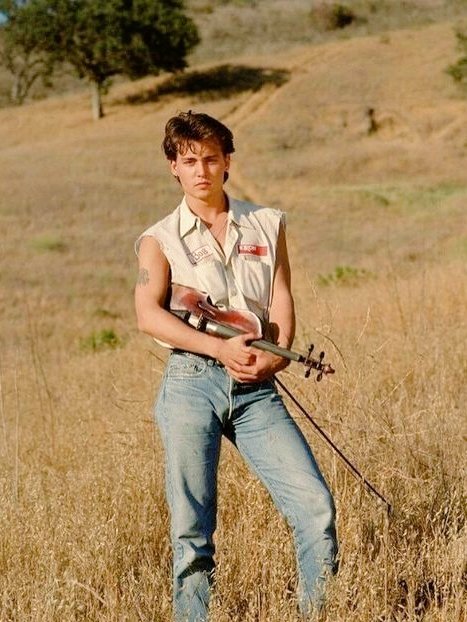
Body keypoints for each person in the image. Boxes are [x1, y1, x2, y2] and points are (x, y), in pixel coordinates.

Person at [134, 111, 338, 621]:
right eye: (189, 161)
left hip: (255, 387)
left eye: (210, 158)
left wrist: (278, 353)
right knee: (192, 531)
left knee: (315, 508)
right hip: (190, 383)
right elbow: (148, 316)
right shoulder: (158, 238)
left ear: (227, 161)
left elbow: (281, 294)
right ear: (173, 167)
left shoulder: (267, 222)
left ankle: (318, 613)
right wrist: (217, 350)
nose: (201, 170)